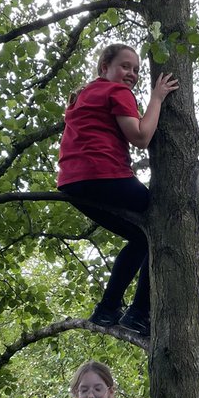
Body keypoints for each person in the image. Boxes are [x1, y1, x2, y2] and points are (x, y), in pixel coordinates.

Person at [58, 42, 178, 339]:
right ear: (104, 68)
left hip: (73, 183)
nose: (132, 74)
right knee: (162, 226)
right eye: (125, 66)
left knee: (140, 237)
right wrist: (157, 98)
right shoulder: (117, 92)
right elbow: (140, 136)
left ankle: (107, 310)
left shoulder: (83, 96)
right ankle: (138, 313)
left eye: (136, 69)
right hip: (102, 175)